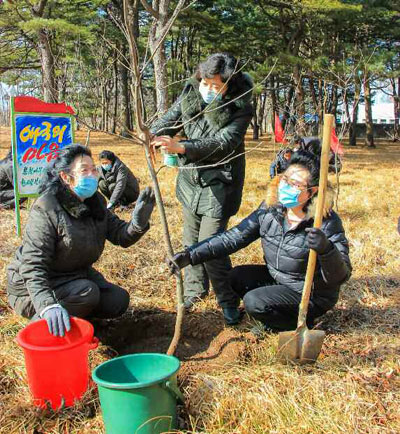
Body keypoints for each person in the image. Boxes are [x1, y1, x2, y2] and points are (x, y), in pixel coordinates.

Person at [166, 150, 351, 332]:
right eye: (285, 180)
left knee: (254, 302)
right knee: (235, 278)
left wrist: (326, 250)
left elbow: (341, 276)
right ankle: (277, 310)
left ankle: (295, 323)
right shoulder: (271, 210)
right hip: (279, 279)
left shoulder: (325, 222)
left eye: (295, 185)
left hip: (311, 294)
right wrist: (190, 255)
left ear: (312, 192)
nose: (286, 187)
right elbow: (233, 237)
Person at [7, 144, 155, 337]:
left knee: (117, 300)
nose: (92, 174)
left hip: (74, 276)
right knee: (87, 293)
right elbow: (32, 266)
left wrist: (138, 222)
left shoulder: (96, 202)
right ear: (66, 177)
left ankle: (77, 318)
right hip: (32, 288)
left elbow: (120, 235)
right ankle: (42, 328)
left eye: (93, 169)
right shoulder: (47, 207)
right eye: (84, 170)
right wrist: (47, 305)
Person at [150, 52, 254, 324]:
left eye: (215, 85)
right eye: (204, 83)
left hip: (220, 183)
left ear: (229, 85)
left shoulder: (240, 106)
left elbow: (225, 143)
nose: (208, 89)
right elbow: (168, 119)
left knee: (212, 247)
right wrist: (156, 134)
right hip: (190, 180)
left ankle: (228, 300)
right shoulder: (190, 94)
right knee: (190, 241)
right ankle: (196, 289)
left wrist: (182, 147)